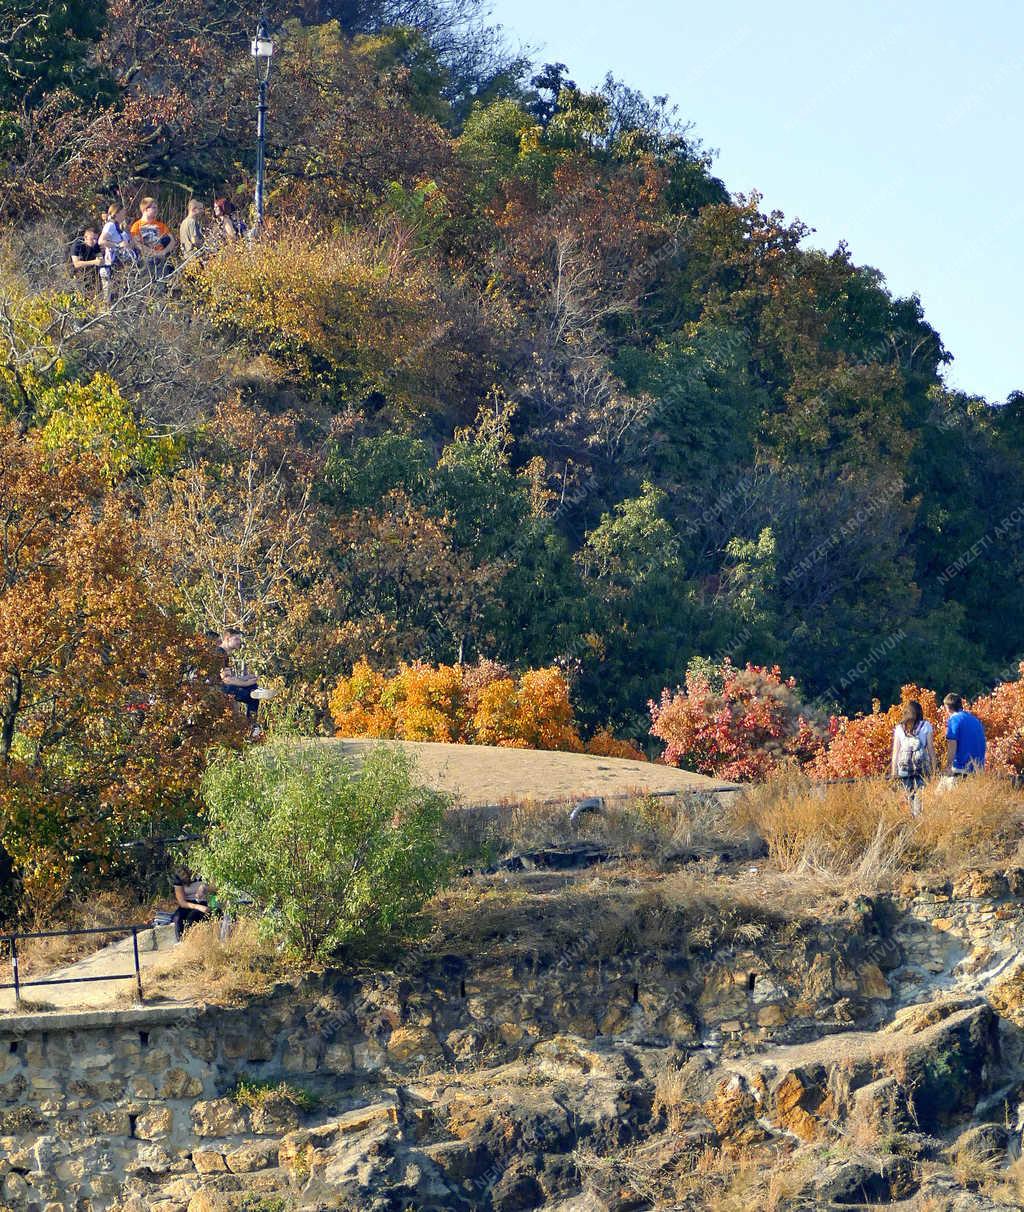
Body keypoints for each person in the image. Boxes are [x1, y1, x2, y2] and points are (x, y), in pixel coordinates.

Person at [216, 629, 274, 736]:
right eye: (236, 639)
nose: (239, 642)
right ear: (227, 639)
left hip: (223, 686)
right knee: (252, 695)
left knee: (253, 690)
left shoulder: (224, 654)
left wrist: (246, 678)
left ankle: (252, 726)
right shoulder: (220, 653)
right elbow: (226, 680)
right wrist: (246, 683)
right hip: (218, 689)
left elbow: (229, 677)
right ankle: (251, 728)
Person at [891, 700, 935, 816]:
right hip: (922, 769)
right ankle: (919, 821)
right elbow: (930, 749)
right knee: (920, 798)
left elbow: (895, 752)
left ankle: (909, 822)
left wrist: (894, 772)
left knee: (907, 798)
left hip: (904, 770)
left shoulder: (900, 728)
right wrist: (934, 769)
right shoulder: (926, 726)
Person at [130, 196, 176, 283]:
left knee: (162, 285)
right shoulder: (136, 226)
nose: (156, 210)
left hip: (161, 260)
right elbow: (136, 244)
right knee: (147, 286)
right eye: (153, 207)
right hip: (146, 261)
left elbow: (172, 241)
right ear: (145, 209)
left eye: (156, 207)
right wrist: (152, 253)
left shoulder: (161, 225)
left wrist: (164, 252)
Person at [98, 203, 135, 304]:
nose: (124, 215)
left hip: (120, 267)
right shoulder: (110, 226)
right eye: (122, 213)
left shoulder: (118, 228)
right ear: (116, 213)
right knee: (109, 300)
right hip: (111, 267)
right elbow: (101, 241)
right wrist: (118, 245)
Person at [943, 693, 986, 775]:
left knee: (941, 787)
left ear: (948, 708)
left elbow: (952, 744)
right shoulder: (974, 719)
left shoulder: (954, 719)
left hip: (961, 769)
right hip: (978, 769)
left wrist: (948, 766)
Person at [171, 868, 211, 942]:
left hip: (201, 902)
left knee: (191, 917)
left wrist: (204, 887)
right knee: (177, 918)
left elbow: (217, 888)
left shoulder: (204, 871)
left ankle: (190, 942)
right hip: (187, 904)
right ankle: (180, 942)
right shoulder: (179, 876)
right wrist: (197, 907)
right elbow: (182, 902)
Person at [69, 226, 103, 292]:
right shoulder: (77, 245)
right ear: (86, 237)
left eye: (96, 239)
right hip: (74, 277)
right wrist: (94, 262)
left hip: (88, 276)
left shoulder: (95, 245)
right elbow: (76, 264)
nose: (95, 241)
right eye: (92, 239)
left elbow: (100, 259)